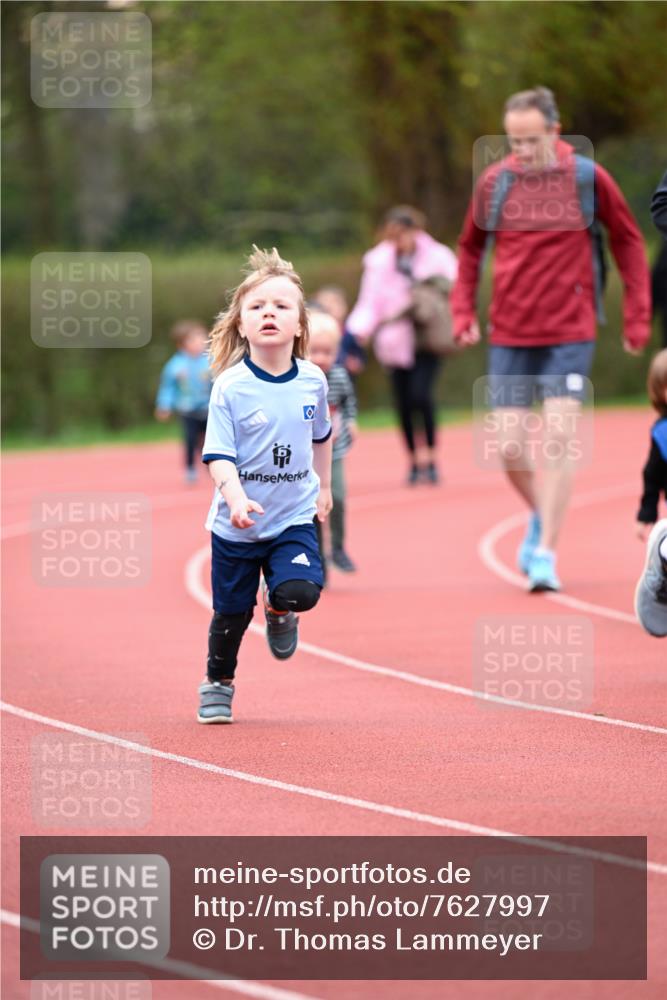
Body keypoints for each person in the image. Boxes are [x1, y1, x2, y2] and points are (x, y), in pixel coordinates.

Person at [452, 86, 651, 592]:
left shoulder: (587, 178)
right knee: (512, 447)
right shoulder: (495, 183)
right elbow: (470, 249)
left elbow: (628, 240)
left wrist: (636, 316)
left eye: (530, 140)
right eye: (513, 141)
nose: (521, 150)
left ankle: (545, 553)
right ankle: (544, 513)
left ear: (555, 132)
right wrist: (462, 311)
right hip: (512, 332)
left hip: (570, 329)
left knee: (560, 438)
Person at [197, 248, 332, 724]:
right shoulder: (230, 387)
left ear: (299, 326)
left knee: (301, 591)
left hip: (292, 515)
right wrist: (235, 499)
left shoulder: (313, 381)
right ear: (241, 325)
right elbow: (218, 455)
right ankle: (218, 682)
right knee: (231, 614)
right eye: (256, 307)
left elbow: (321, 438)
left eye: (281, 306)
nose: (268, 313)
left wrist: (325, 488)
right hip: (237, 525)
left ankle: (278, 608)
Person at [346, 205, 458, 485]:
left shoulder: (437, 257)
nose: (398, 240)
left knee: (421, 395)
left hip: (426, 336)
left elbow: (456, 289)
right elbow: (369, 300)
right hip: (394, 340)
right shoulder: (378, 261)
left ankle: (431, 457)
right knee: (404, 403)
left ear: (415, 232)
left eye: (403, 234)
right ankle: (413, 459)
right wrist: (357, 331)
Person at [308, 308, 358, 573]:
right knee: (312, 508)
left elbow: (349, 402)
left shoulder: (339, 376)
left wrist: (351, 420)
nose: (320, 359)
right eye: (314, 352)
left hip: (334, 451)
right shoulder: (300, 381)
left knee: (337, 497)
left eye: (327, 353)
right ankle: (319, 560)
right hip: (304, 456)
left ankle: (338, 547)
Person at [155, 320, 212, 483]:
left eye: (202, 338)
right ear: (181, 345)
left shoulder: (211, 361)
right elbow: (168, 387)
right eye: (193, 339)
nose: (200, 342)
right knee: (190, 440)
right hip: (188, 410)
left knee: (211, 439)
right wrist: (164, 405)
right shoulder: (175, 365)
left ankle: (213, 464)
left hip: (208, 408)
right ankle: (190, 468)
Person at [312, 285, 367, 380]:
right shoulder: (312, 331)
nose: (330, 306)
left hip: (344, 378)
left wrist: (355, 362)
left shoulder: (348, 334)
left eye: (335, 302)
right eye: (325, 302)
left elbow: (358, 355)